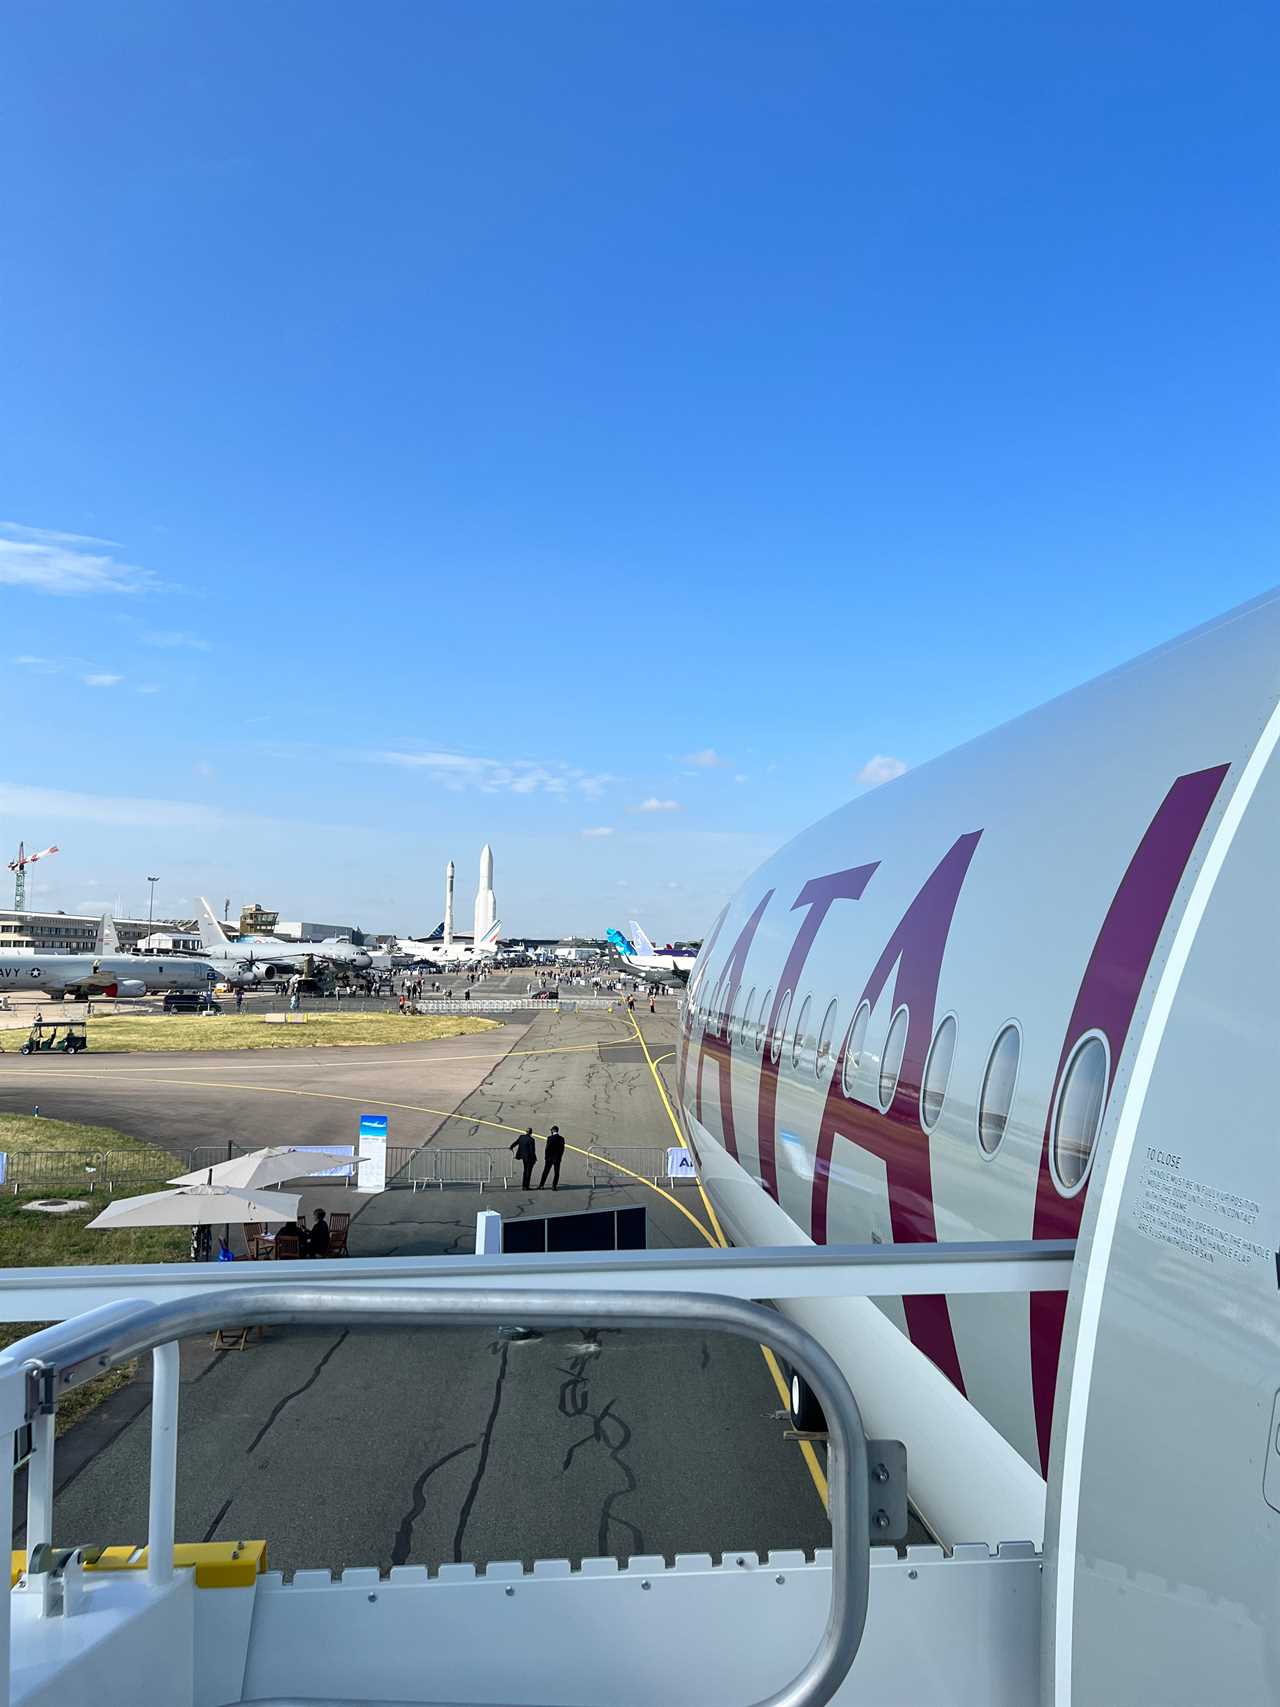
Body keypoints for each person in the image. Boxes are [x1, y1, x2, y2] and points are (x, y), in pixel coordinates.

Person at [538, 1125, 565, 1191]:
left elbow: (547, 1149)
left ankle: (541, 1185)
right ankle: (554, 1186)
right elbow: (562, 1149)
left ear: (553, 1130)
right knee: (556, 1173)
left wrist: (546, 1157)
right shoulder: (561, 1138)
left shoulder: (550, 1138)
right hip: (557, 1158)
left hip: (549, 1158)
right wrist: (560, 1157)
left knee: (545, 1172)